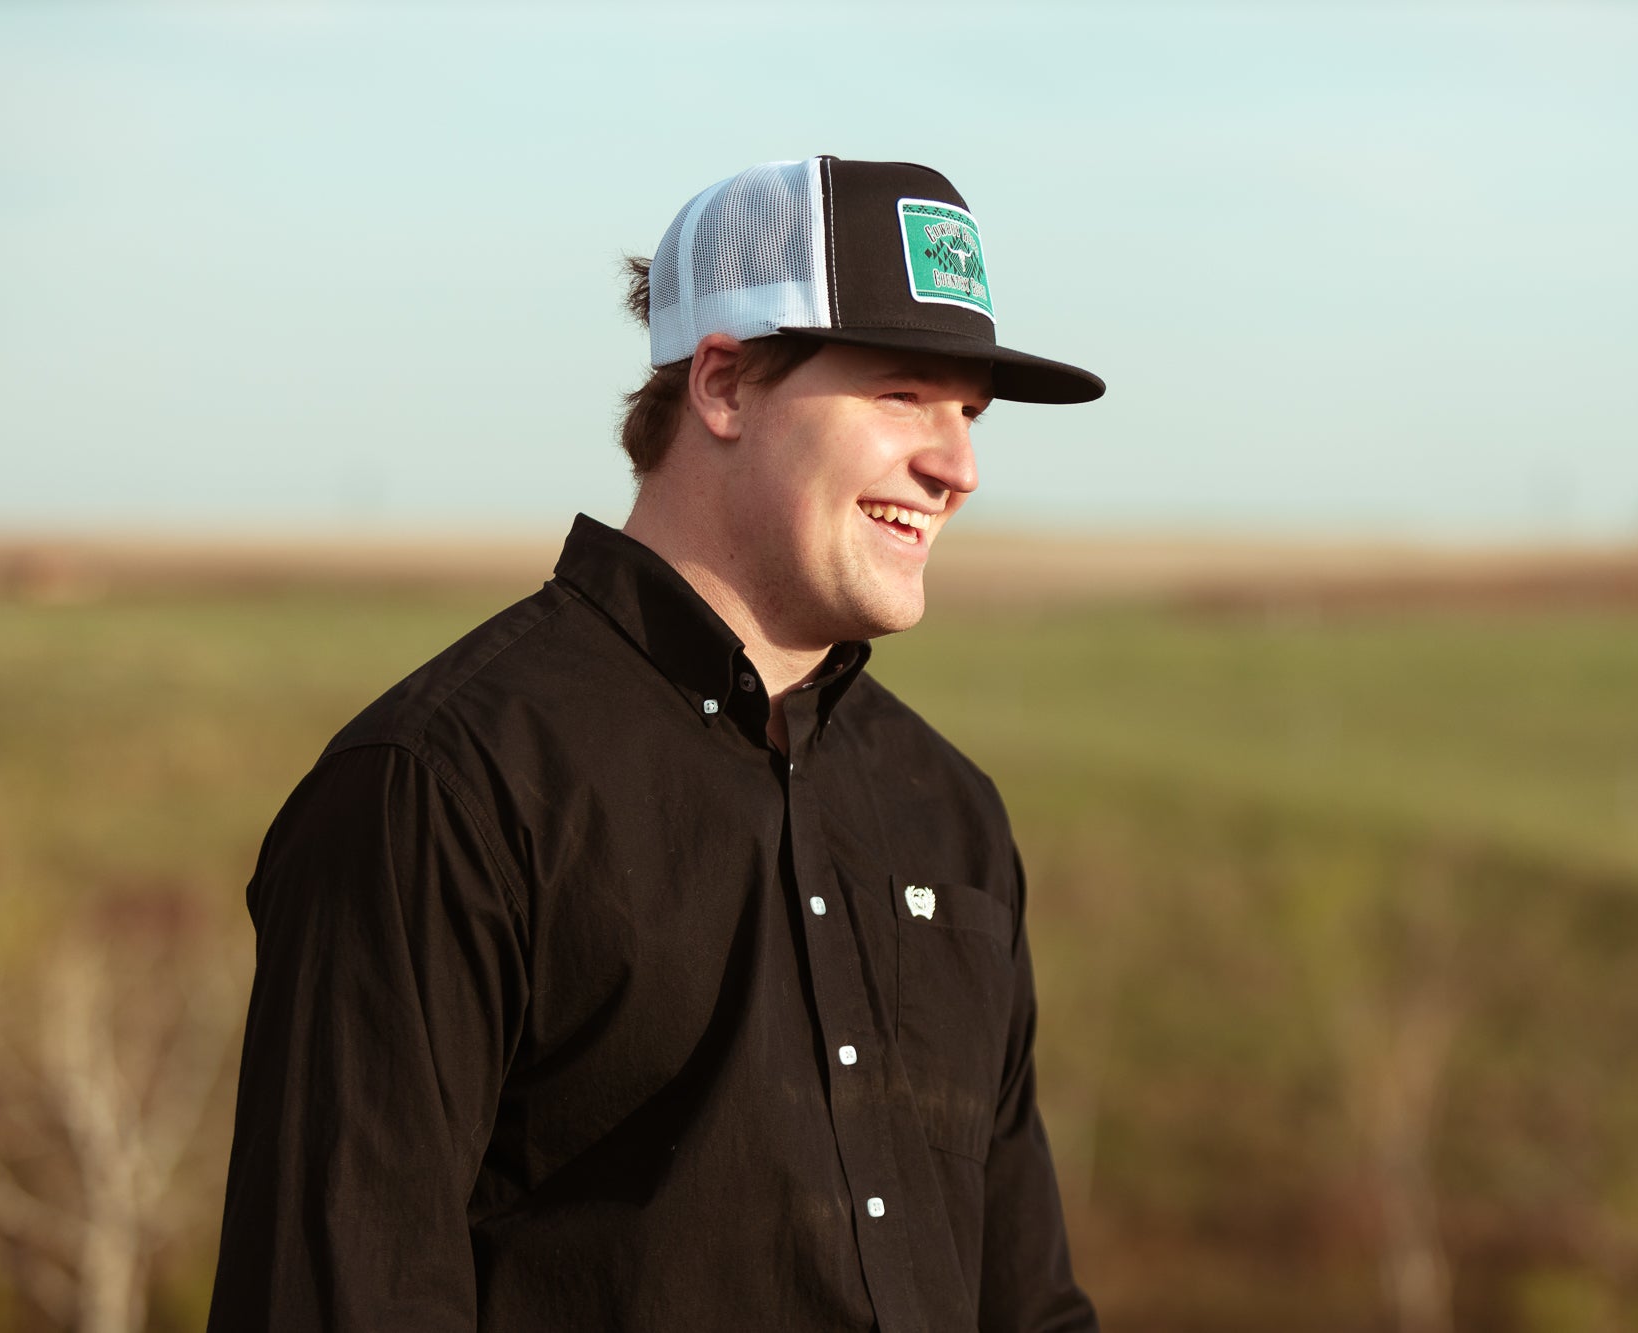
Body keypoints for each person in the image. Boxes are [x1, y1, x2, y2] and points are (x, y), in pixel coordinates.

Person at [207, 156, 1105, 1332]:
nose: (959, 468)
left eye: (969, 414)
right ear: (722, 385)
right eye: (901, 397)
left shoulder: (950, 810)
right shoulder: (442, 790)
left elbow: (1025, 1302)